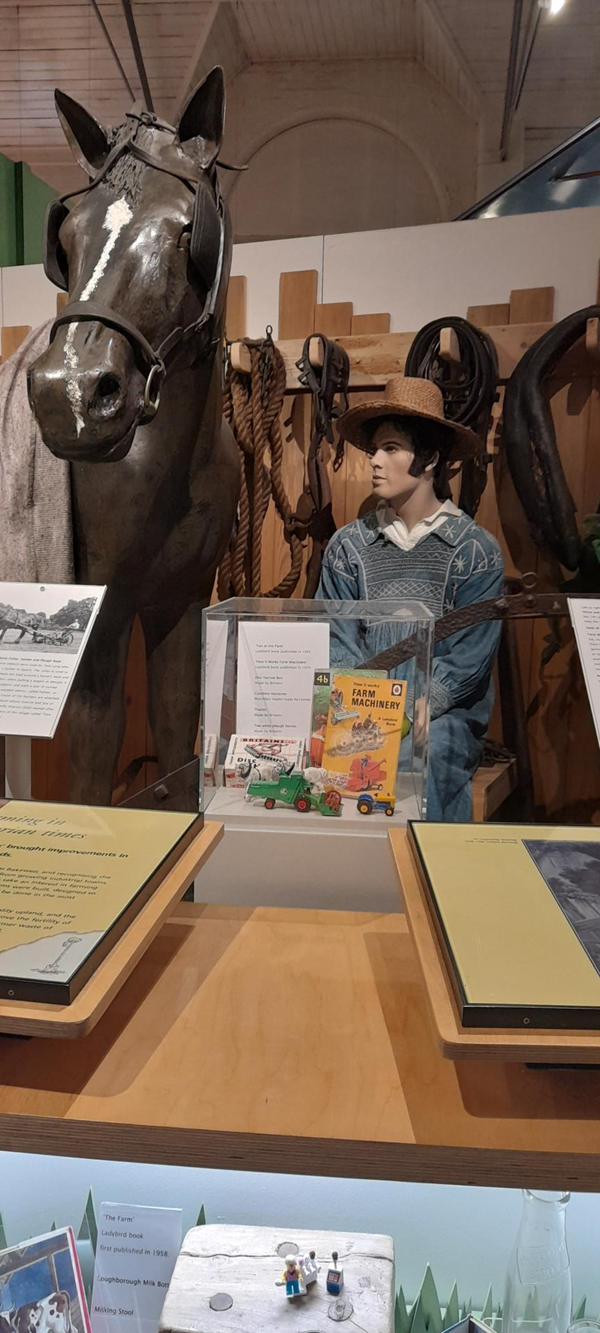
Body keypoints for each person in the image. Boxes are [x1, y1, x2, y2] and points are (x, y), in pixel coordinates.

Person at [317, 376, 504, 821]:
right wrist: (365, 709)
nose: (376, 462)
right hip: (362, 711)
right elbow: (334, 633)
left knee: (422, 759)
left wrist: (406, 712)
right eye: (373, 450)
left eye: (392, 448)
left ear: (430, 458)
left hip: (440, 717)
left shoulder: (473, 551)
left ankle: (424, 880)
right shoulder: (349, 547)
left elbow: (467, 659)